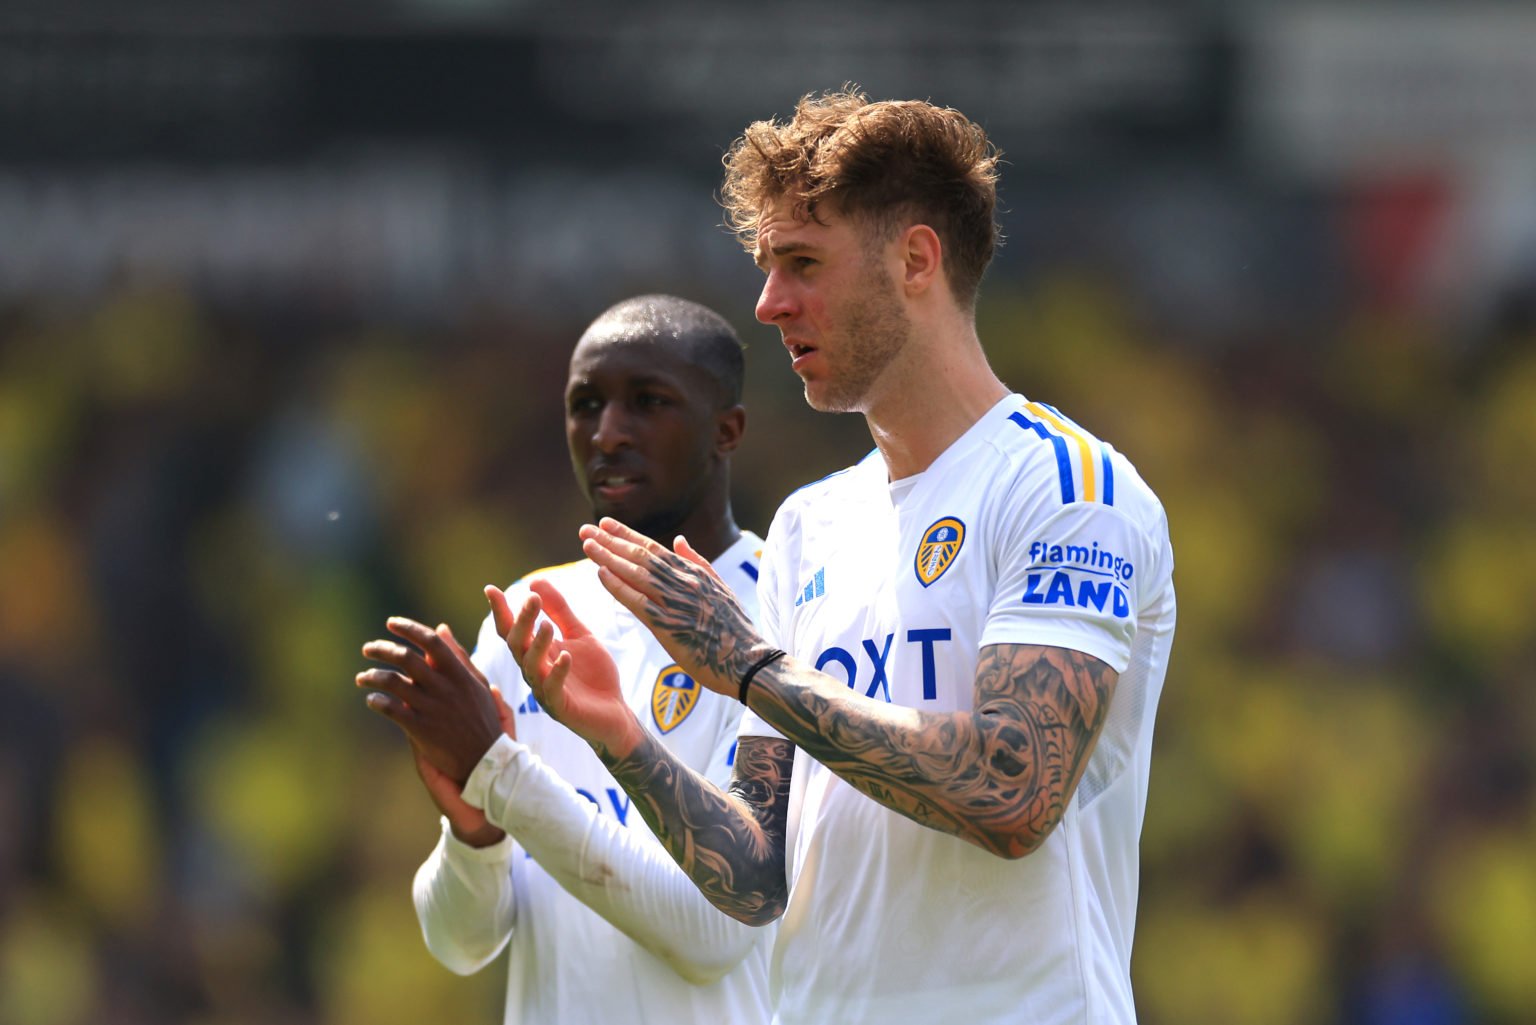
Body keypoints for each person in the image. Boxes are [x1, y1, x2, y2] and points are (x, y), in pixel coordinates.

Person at [492, 89, 1177, 1025]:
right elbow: (755, 876)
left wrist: (754, 672)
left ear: (916, 260)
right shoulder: (813, 525)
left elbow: (1013, 789)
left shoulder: (1066, 487)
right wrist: (621, 738)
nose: (770, 304)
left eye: (803, 263)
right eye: (769, 267)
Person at [356, 295, 772, 1024]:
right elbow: (461, 943)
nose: (608, 433)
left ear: (726, 431)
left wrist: (500, 772)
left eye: (648, 401)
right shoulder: (532, 612)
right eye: (586, 404)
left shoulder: (781, 609)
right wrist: (474, 837)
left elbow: (715, 932)